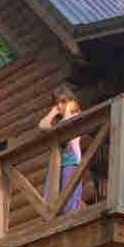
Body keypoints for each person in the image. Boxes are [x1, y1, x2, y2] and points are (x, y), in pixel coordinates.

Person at [39, 86, 83, 214]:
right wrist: (52, 113)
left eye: (63, 102)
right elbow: (42, 125)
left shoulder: (76, 116)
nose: (60, 106)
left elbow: (68, 125)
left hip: (72, 162)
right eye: (57, 103)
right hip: (56, 165)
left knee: (68, 198)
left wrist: (68, 109)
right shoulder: (59, 122)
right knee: (49, 200)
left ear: (70, 101)